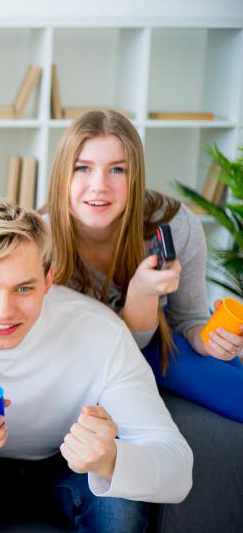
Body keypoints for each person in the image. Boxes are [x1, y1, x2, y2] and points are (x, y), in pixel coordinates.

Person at [0, 199, 192, 532]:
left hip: (67, 468)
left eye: (24, 288)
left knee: (119, 502)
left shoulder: (100, 331)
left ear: (49, 280)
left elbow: (178, 468)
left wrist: (111, 461)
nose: (3, 312)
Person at [45, 109, 243, 422]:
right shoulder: (39, 242)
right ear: (62, 174)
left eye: (117, 170)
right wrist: (140, 292)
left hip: (157, 339)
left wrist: (208, 340)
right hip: (86, 359)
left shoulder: (176, 225)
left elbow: (187, 318)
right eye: (83, 168)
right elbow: (111, 350)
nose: (99, 185)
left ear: (134, 176)